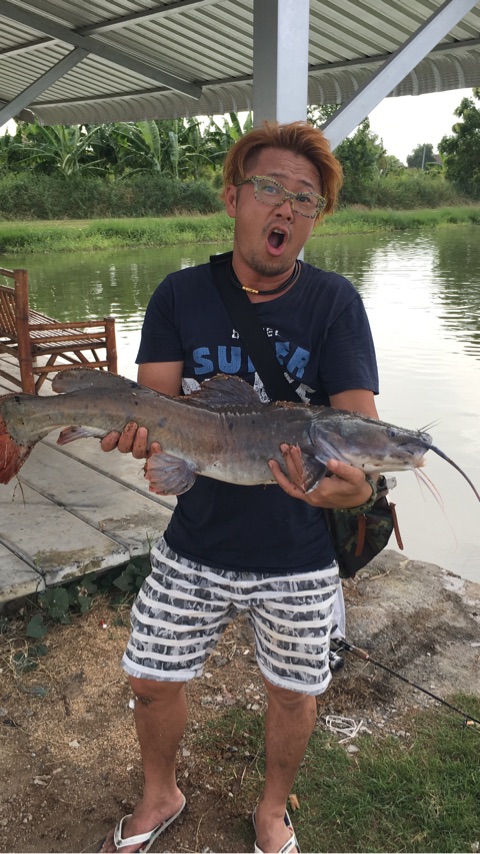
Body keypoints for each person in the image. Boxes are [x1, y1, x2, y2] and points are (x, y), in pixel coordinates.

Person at [99, 121, 379, 854]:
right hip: (194, 544)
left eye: (304, 198)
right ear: (233, 198)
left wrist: (354, 492)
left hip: (298, 556)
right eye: (269, 188)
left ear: (315, 217)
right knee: (151, 678)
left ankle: (273, 810)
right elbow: (153, 403)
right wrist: (141, 436)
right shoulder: (179, 294)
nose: (285, 207)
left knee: (294, 692)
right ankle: (160, 793)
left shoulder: (335, 303)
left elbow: (359, 431)